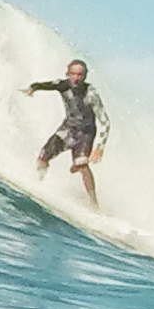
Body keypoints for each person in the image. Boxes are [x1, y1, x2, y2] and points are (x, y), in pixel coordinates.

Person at [25, 58, 106, 209]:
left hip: (86, 132)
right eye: (73, 74)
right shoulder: (62, 85)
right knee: (42, 158)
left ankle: (94, 202)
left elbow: (105, 122)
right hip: (67, 129)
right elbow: (44, 85)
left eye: (80, 75)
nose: (76, 78)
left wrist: (100, 147)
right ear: (67, 73)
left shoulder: (91, 93)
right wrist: (32, 88)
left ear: (85, 76)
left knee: (81, 164)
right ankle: (38, 182)